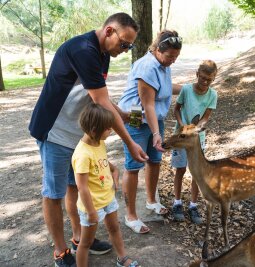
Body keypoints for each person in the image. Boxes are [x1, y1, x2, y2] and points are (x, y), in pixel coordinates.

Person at [28, 13, 148, 267]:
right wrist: (129, 143)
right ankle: (61, 251)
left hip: (76, 134)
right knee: (54, 192)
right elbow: (100, 101)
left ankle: (80, 237)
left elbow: (97, 94)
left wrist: (122, 114)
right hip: (54, 131)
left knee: (76, 187)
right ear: (108, 31)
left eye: (130, 46)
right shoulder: (83, 49)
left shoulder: (103, 53)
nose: (125, 50)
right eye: (124, 44)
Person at [118, 30, 182, 234]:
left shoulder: (163, 65)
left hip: (156, 120)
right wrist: (156, 134)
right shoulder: (147, 67)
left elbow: (165, 88)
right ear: (156, 50)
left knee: (155, 160)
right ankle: (130, 215)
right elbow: (148, 105)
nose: (172, 60)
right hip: (135, 120)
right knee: (133, 165)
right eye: (169, 56)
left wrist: (190, 88)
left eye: (176, 57)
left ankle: (151, 200)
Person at [72, 103, 139, 267]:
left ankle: (122, 258)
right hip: (92, 206)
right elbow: (82, 187)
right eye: (108, 129)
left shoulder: (98, 143)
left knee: (115, 229)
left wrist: (114, 171)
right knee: (86, 243)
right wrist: (91, 212)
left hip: (108, 200)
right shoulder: (82, 154)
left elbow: (103, 163)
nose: (112, 131)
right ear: (95, 130)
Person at [170, 60, 218, 224]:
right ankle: (177, 203)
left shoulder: (212, 94)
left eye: (209, 80)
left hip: (197, 139)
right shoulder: (186, 90)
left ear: (213, 79)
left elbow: (206, 117)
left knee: (197, 173)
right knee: (180, 169)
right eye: (202, 78)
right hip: (181, 136)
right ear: (197, 74)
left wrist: (198, 128)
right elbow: (176, 110)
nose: (204, 82)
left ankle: (193, 205)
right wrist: (183, 125)